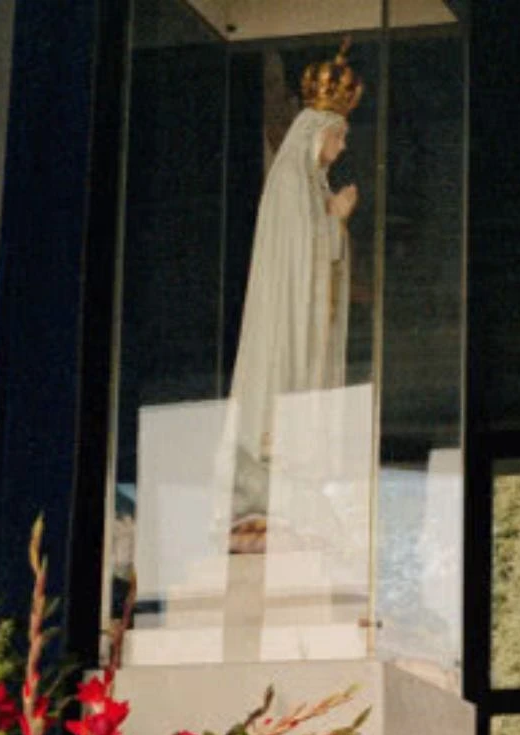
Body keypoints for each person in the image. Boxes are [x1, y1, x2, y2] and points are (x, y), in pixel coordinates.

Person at [214, 43, 362, 542]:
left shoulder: (312, 186)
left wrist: (333, 225)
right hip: (285, 325)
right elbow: (296, 254)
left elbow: (319, 256)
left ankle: (291, 489)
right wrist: (334, 222)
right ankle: (267, 485)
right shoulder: (289, 185)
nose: (341, 149)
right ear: (318, 133)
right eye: (338, 138)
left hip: (306, 321)